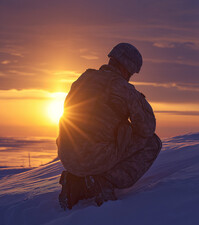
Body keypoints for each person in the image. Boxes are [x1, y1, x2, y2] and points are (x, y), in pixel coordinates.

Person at [57, 43, 162, 210]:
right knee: (152, 143)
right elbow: (148, 128)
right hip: (95, 158)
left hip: (67, 156)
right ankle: (101, 182)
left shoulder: (83, 78)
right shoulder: (123, 88)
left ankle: (76, 180)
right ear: (127, 68)